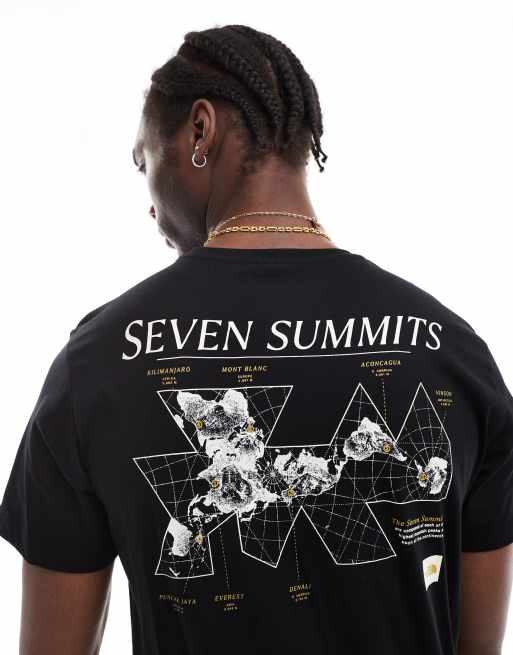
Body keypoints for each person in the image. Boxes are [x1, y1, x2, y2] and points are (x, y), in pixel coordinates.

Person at [1, 24, 512, 655]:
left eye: (143, 161)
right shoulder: (451, 350)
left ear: (200, 130)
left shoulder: (100, 359)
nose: (150, 206)